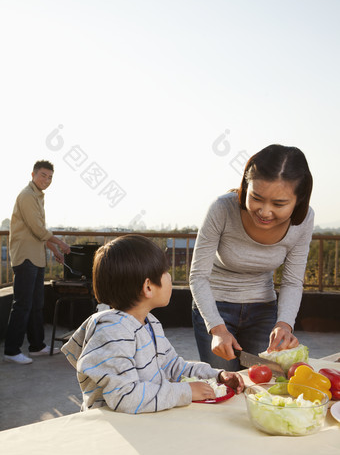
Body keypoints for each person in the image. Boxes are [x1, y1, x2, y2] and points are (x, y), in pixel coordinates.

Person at [61, 235, 244, 414]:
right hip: (113, 431)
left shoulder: (150, 323)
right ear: (148, 287)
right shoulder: (112, 332)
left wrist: (217, 376)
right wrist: (186, 392)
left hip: (143, 421)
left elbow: (173, 367)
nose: (170, 277)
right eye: (165, 272)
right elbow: (126, 397)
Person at [190, 144, 314, 371]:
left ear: (299, 199)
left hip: (263, 309)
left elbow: (292, 281)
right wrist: (217, 329)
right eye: (256, 198)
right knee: (226, 385)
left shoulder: (304, 221)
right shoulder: (221, 209)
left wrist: (284, 324)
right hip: (214, 307)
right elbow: (198, 277)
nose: (265, 212)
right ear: (246, 187)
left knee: (265, 383)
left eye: (279, 204)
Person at [3, 160, 70, 364]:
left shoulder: (38, 197)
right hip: (25, 257)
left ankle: (37, 346)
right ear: (32, 174)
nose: (46, 180)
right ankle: (12, 351)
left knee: (37, 304)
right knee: (22, 304)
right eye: (43, 175)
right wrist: (60, 243)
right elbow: (38, 229)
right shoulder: (27, 196)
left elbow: (39, 232)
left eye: (50, 177)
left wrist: (53, 249)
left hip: (37, 257)